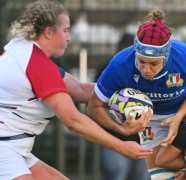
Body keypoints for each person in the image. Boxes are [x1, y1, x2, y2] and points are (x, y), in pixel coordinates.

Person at [0, 1, 153, 179]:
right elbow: (73, 121)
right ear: (49, 32)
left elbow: (80, 90)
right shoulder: (37, 65)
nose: (68, 37)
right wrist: (121, 145)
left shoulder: (22, 49)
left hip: (15, 148)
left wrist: (140, 91)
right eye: (65, 30)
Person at [87, 8, 186, 180]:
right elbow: (94, 107)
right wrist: (122, 130)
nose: (146, 70)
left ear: (166, 55)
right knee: (163, 169)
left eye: (153, 63)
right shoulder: (120, 64)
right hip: (151, 125)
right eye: (141, 61)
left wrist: (179, 116)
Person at [95, 33, 150, 180]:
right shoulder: (107, 70)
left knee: (141, 177)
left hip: (142, 138)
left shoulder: (148, 72)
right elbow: (95, 103)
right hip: (114, 137)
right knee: (117, 174)